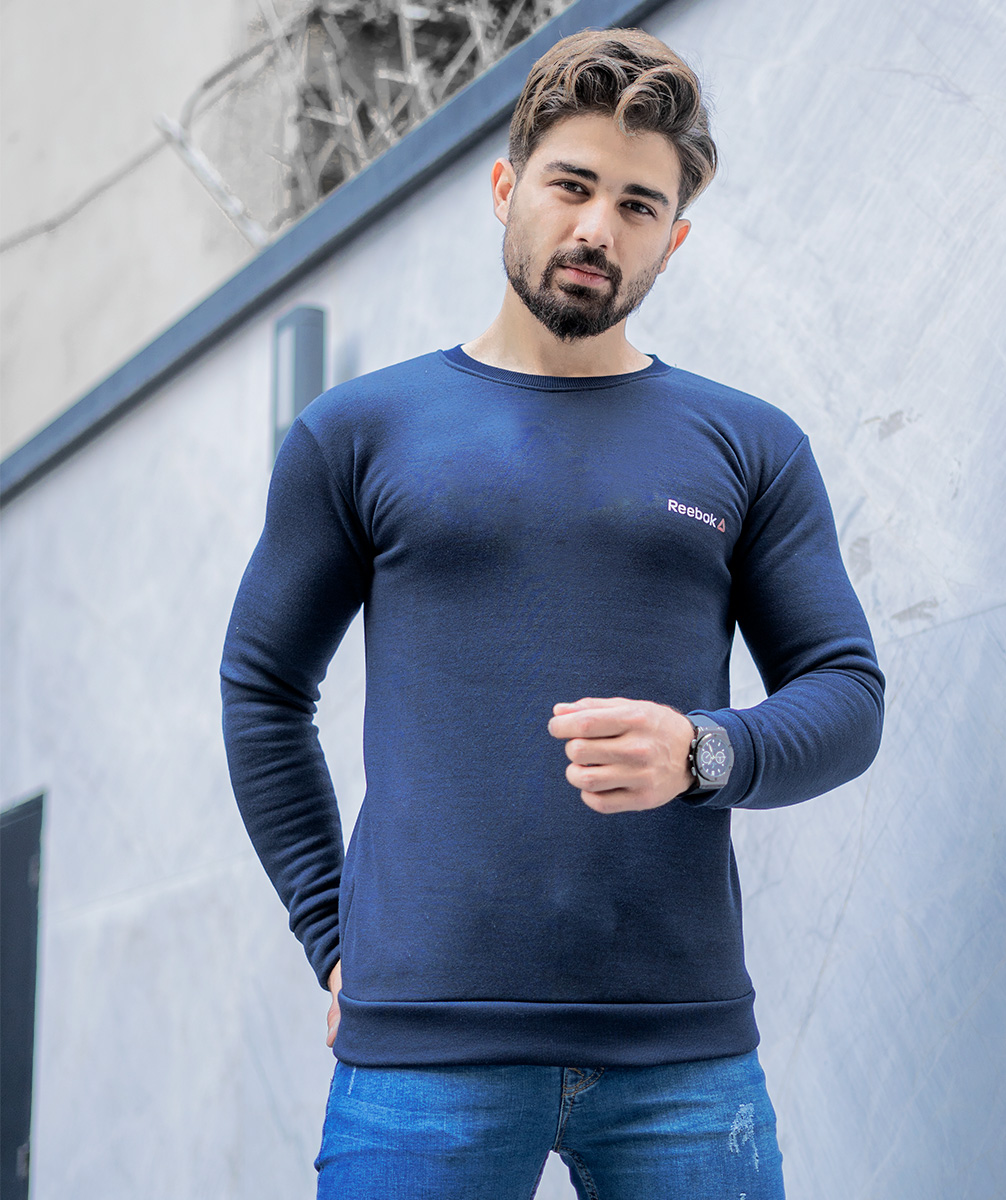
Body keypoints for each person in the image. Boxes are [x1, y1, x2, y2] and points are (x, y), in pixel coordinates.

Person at [220, 26, 884, 1199]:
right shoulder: (359, 432)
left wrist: (703, 750)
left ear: (673, 239)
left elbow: (847, 693)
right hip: (420, 1058)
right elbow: (264, 690)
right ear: (505, 187)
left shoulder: (750, 444)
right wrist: (333, 936)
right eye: (571, 185)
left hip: (685, 1059)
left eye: (638, 206)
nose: (596, 229)